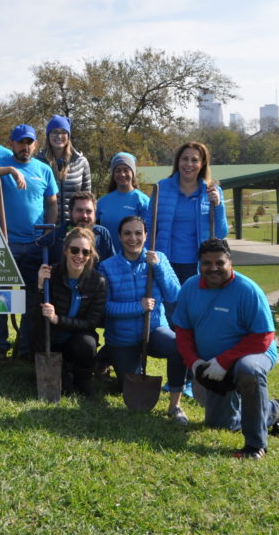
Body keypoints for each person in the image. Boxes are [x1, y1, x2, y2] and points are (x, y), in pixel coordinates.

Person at [171, 238, 279, 459]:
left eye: (220, 262)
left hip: (253, 354)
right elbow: (183, 332)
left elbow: (264, 337)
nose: (213, 268)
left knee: (248, 370)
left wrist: (225, 361)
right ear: (199, 263)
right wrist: (195, 363)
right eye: (207, 263)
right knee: (222, 424)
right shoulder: (190, 287)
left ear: (230, 262)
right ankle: (276, 409)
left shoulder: (247, 290)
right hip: (213, 363)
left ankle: (256, 446)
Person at [0, 124, 58, 358]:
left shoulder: (44, 170)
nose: (25, 146)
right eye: (21, 142)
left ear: (35, 144)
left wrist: (47, 233)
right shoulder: (0, 163)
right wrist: (10, 170)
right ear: (12, 143)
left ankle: (24, 347)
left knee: (31, 298)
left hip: (35, 245)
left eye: (29, 142)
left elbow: (52, 202)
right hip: (6, 243)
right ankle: (0, 346)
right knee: (1, 297)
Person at [99, 216, 188, 423]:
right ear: (119, 237)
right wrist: (138, 307)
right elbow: (105, 307)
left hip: (155, 329)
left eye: (138, 233)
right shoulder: (107, 267)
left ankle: (175, 405)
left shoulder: (159, 259)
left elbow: (175, 295)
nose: (133, 238)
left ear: (146, 236)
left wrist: (157, 268)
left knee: (178, 346)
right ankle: (105, 359)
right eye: (127, 233)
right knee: (125, 387)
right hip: (123, 337)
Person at [34, 227, 107, 397]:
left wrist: (57, 319)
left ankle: (83, 378)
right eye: (74, 250)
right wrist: (39, 286)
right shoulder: (51, 276)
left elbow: (91, 323)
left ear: (90, 255)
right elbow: (35, 317)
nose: (79, 256)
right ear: (66, 250)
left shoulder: (98, 282)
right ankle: (64, 373)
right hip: (51, 341)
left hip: (77, 341)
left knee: (88, 343)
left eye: (85, 252)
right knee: (65, 391)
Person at [149, 142, 229, 287]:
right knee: (169, 307)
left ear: (202, 163)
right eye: (184, 159)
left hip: (198, 265)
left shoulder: (212, 191)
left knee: (195, 308)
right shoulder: (161, 188)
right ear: (178, 161)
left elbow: (221, 233)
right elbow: (149, 227)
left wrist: (218, 205)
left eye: (194, 160)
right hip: (165, 262)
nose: (189, 164)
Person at [36, 115, 92, 222]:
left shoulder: (81, 162)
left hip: (73, 225)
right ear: (48, 135)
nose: (59, 136)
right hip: (45, 225)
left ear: (68, 135)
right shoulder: (38, 162)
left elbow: (87, 197)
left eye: (63, 132)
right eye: (55, 132)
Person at [96, 152, 150, 245]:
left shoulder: (143, 200)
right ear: (113, 174)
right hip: (107, 257)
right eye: (118, 170)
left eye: (126, 170)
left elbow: (149, 233)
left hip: (134, 257)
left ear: (133, 173)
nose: (122, 174)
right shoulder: (102, 201)